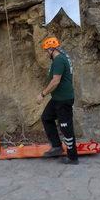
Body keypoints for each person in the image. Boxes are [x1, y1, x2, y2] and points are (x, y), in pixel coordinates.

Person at [38, 36, 78, 164]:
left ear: (51, 49)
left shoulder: (59, 60)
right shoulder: (60, 58)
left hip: (63, 100)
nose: (46, 54)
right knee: (46, 117)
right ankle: (56, 147)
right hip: (57, 99)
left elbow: (55, 81)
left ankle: (73, 157)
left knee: (66, 127)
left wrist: (42, 94)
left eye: (46, 51)